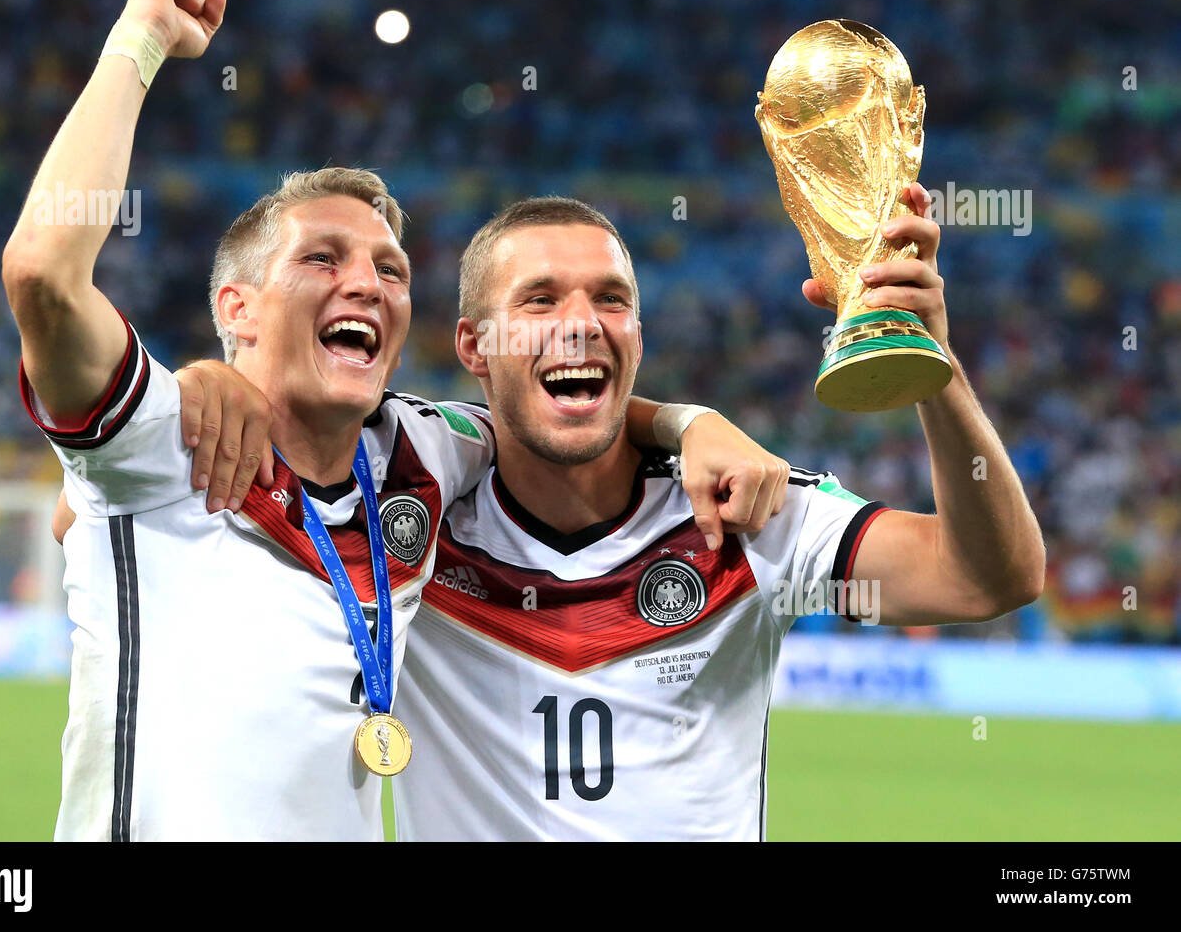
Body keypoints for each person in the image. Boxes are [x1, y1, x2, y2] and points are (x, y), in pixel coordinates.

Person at [16, 0, 778, 841]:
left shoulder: (426, 451)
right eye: (322, 259)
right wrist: (139, 42)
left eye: (390, 269)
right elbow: (43, 274)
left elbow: (554, 415)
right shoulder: (160, 440)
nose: (368, 285)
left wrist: (692, 424)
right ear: (238, 308)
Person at [388, 192, 1045, 841]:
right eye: (541, 298)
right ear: (474, 346)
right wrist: (685, 418)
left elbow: (987, 579)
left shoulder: (745, 509)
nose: (583, 322)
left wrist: (936, 364)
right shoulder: (414, 517)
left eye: (611, 299)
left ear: (637, 341)